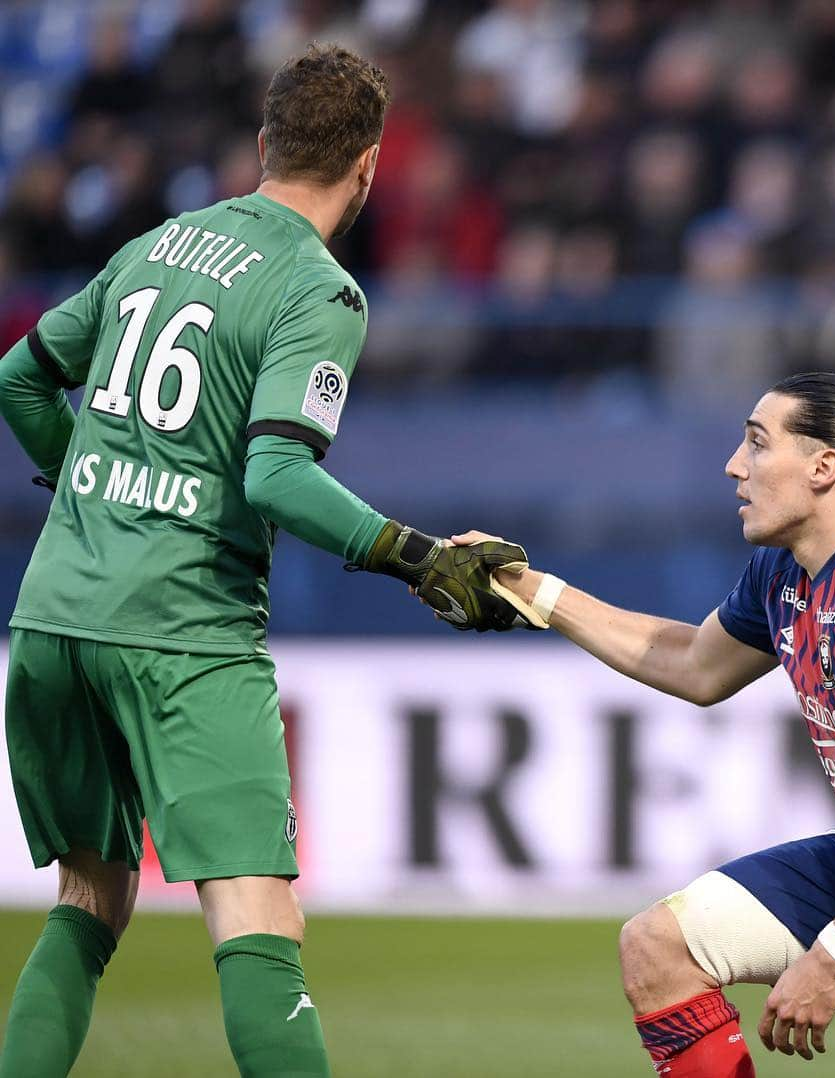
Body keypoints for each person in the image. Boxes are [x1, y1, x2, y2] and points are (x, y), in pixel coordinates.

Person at [0, 44, 527, 1078]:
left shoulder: (160, 242)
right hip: (184, 631)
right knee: (257, 918)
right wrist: (415, 555)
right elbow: (275, 478)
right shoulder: (318, 289)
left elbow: (21, 377)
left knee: (90, 898)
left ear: (262, 146)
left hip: (55, 614)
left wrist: (89, 487)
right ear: (370, 169)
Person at [459, 372, 835, 1076]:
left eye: (757, 442)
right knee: (661, 947)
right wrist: (534, 592)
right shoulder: (784, 570)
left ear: (824, 468)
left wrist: (831, 956)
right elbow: (695, 664)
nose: (734, 464)